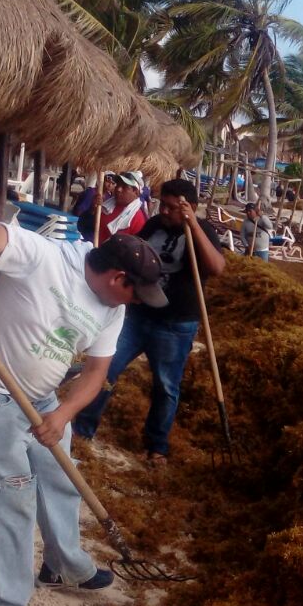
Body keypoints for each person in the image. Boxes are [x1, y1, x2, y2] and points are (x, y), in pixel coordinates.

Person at [0, 215, 168, 606]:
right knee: (10, 491)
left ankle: (63, 566)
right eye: (136, 291)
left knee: (59, 477)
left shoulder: (114, 309)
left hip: (44, 400)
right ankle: (3, 601)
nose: (139, 302)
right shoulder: (44, 257)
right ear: (117, 276)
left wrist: (62, 414)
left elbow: (94, 374)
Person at [73, 178, 226, 464]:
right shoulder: (154, 224)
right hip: (137, 315)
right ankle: (82, 429)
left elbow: (217, 268)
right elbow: (133, 251)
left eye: (171, 207)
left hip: (175, 324)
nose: (164, 212)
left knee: (166, 387)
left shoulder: (203, 230)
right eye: (162, 205)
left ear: (189, 207)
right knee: (106, 370)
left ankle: (157, 446)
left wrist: (193, 225)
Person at [99, 170, 147, 239]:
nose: (118, 189)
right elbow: (86, 225)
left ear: (136, 192)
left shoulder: (138, 218)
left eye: (124, 187)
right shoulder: (106, 206)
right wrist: (93, 209)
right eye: (118, 185)